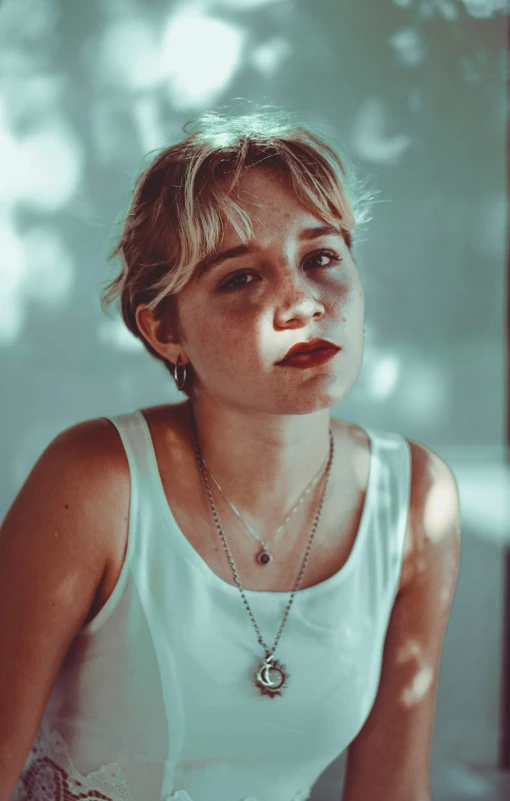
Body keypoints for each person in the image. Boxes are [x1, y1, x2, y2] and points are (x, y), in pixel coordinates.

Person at [0, 108, 460, 801]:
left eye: (321, 257)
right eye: (242, 277)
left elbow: (393, 787)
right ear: (164, 329)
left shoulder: (418, 498)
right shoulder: (95, 479)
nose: (303, 304)